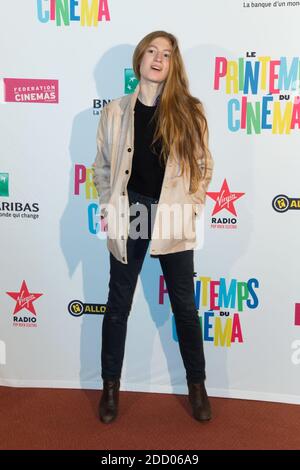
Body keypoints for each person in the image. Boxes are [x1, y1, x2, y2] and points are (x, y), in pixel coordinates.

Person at [92, 31, 214, 424]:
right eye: (152, 51)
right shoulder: (114, 111)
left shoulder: (189, 111)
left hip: (171, 216)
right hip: (130, 213)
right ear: (139, 58)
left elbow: (203, 167)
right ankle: (110, 389)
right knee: (117, 306)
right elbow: (102, 167)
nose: (159, 58)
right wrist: (108, 205)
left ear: (173, 65)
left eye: (167, 54)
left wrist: (191, 208)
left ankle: (197, 387)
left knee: (184, 307)